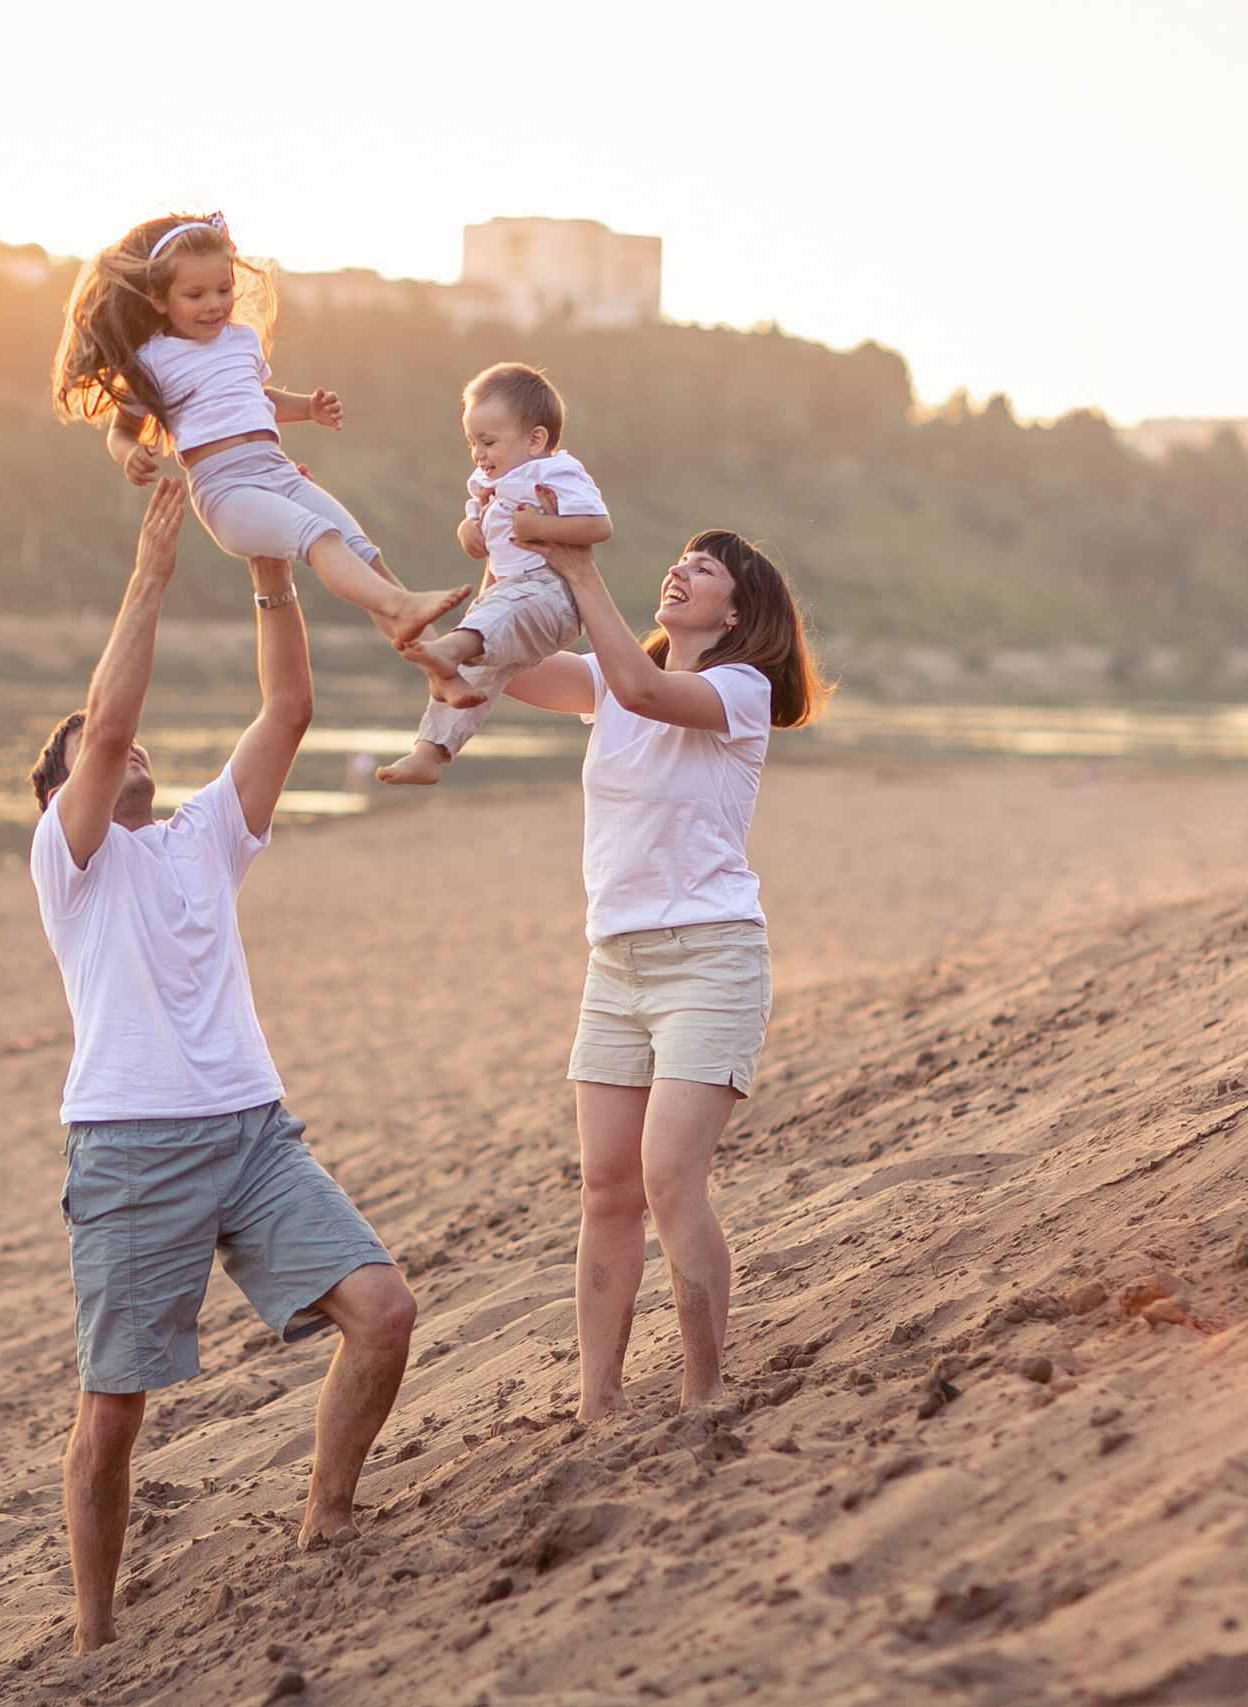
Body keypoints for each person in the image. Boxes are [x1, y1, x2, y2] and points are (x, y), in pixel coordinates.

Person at [26, 476, 419, 1652]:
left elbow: (288, 708)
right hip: (131, 1149)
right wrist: (149, 572)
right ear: (57, 798)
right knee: (112, 1417)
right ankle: (96, 1632)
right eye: (94, 751)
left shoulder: (201, 833)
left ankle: (327, 1524)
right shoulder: (71, 860)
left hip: (252, 1132)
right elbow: (101, 724)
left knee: (385, 1312)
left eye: (132, 742)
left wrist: (267, 563)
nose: (123, 745)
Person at [495, 505, 829, 1419]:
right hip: (616, 966)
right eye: (681, 558)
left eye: (706, 569)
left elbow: (644, 692)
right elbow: (511, 665)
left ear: (734, 615)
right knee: (606, 1186)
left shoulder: (741, 692)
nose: (683, 570)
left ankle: (704, 1388)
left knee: (668, 1176)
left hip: (711, 959)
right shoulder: (610, 682)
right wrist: (501, 553)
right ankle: (597, 1403)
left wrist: (579, 569)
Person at [51, 210, 468, 649]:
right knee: (319, 537)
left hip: (277, 470)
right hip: (226, 489)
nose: (214, 304)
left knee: (362, 551)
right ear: (158, 298)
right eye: (195, 295)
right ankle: (402, 609)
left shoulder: (242, 340)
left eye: (224, 289)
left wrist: (308, 408)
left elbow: (256, 399)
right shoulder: (152, 358)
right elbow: (122, 431)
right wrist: (128, 453)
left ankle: (438, 663)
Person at [381, 362, 613, 786]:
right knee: (472, 679)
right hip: (505, 595)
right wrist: (467, 528)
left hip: (552, 595)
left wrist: (539, 527)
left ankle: (447, 650)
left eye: (488, 442)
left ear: (535, 439)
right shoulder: (488, 480)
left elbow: (599, 526)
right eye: (472, 442)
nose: (478, 454)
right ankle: (430, 752)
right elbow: (475, 513)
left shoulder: (555, 471)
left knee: (486, 628)